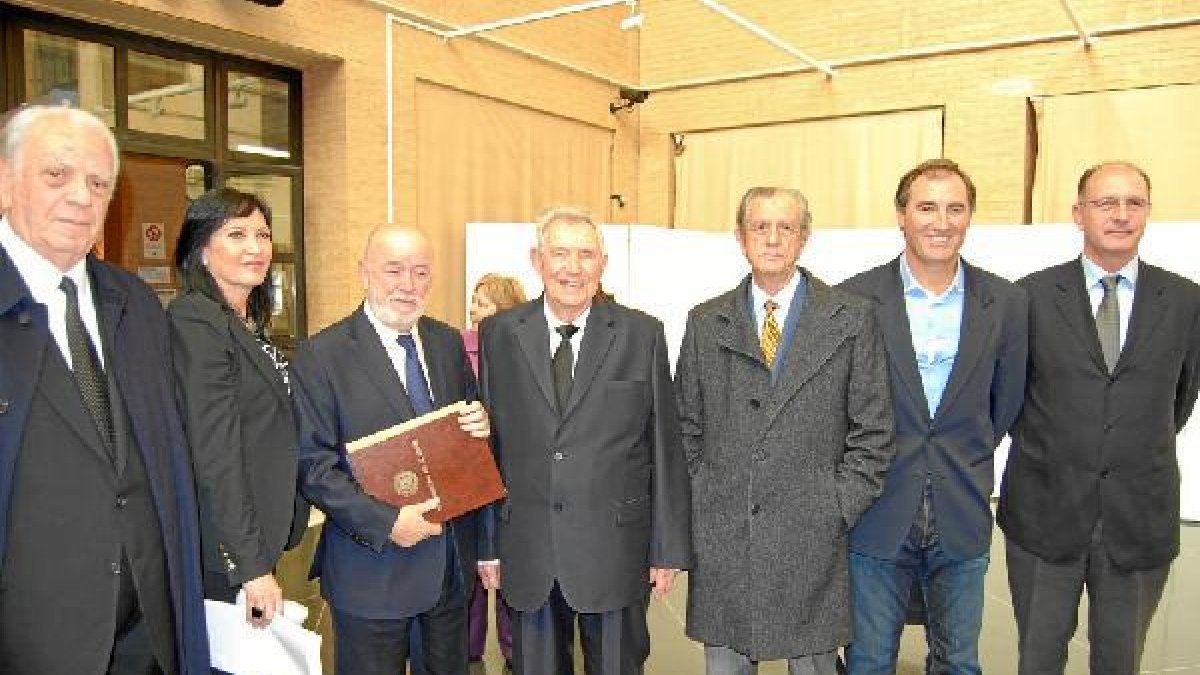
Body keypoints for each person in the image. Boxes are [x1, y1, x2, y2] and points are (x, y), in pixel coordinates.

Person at [0, 104, 208, 673]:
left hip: (148, 635)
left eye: (98, 184)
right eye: (57, 174)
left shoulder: (134, 304)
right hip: (35, 644)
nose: (81, 198)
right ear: (5, 181)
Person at [676, 186, 895, 675]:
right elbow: (685, 427)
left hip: (814, 540)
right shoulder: (706, 322)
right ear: (740, 237)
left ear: (804, 237)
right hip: (727, 537)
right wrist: (706, 497)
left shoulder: (851, 318)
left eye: (786, 227)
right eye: (760, 227)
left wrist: (836, 505)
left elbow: (874, 430)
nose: (772, 239)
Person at [998, 161, 1200, 675]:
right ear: (1078, 213)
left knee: (1120, 662)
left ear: (1148, 213)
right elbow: (1009, 397)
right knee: (1038, 660)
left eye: (1135, 203)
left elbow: (1179, 400)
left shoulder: (1186, 301)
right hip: (1045, 515)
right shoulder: (1029, 297)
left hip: (1138, 519)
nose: (1121, 214)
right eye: (1106, 202)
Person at [478, 206, 692, 675]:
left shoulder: (642, 333)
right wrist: (488, 544)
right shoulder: (500, 335)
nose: (572, 268)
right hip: (529, 548)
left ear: (603, 263)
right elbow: (489, 450)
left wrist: (667, 548)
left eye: (585, 255)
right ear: (536, 260)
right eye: (559, 254)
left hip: (615, 550)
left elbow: (664, 445)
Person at [837, 160, 1028, 675]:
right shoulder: (853, 299)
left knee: (959, 662)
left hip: (962, 508)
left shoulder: (1006, 302)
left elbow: (1005, 403)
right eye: (926, 207)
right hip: (877, 513)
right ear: (901, 215)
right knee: (868, 661)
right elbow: (840, 409)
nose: (941, 222)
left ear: (969, 217)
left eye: (954, 208)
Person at [291, 225, 490, 675]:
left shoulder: (446, 343)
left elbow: (467, 430)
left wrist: (481, 424)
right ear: (364, 273)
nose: (408, 285)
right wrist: (387, 522)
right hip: (371, 572)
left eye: (420, 272)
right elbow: (312, 465)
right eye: (394, 270)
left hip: (448, 571)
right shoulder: (322, 355)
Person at [168, 187, 309, 627]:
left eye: (262, 235)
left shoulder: (246, 324)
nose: (255, 247)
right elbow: (215, 452)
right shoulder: (197, 321)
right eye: (236, 234)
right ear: (202, 251)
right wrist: (249, 565)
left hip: (260, 532)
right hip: (226, 550)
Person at [463, 273, 526, 667]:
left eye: (484, 302)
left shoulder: (522, 351)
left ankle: (515, 647)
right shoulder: (455, 348)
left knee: (510, 569)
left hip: (511, 475)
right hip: (467, 473)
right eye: (474, 301)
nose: (474, 310)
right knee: (470, 569)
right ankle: (467, 647)